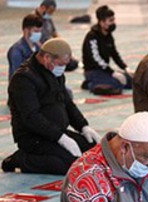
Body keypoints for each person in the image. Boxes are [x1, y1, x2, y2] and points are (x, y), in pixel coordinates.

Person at [2, 38, 98, 174]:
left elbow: (67, 104)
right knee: (68, 165)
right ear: (47, 58)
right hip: (33, 137)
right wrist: (61, 138)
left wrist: (83, 126)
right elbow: (31, 118)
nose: (62, 68)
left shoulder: (55, 73)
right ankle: (19, 159)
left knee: (93, 150)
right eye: (61, 64)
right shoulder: (23, 79)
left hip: (56, 132)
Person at [81, 5, 132, 95]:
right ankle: (90, 84)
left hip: (104, 70)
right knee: (117, 85)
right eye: (110, 21)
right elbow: (96, 59)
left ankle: (100, 82)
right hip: (93, 71)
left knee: (130, 81)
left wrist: (125, 68)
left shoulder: (108, 35)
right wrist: (112, 72)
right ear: (102, 22)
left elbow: (114, 54)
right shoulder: (92, 36)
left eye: (113, 20)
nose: (113, 23)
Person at [34, 0, 79, 72]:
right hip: (42, 50)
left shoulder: (48, 19)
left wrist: (63, 46)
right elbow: (33, 40)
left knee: (73, 63)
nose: (50, 14)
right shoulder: (33, 19)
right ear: (43, 8)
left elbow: (54, 33)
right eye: (50, 11)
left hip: (51, 47)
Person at [7, 14, 43, 79]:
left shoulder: (38, 47)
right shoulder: (16, 50)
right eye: (36, 31)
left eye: (40, 31)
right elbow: (17, 75)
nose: (38, 34)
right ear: (26, 31)